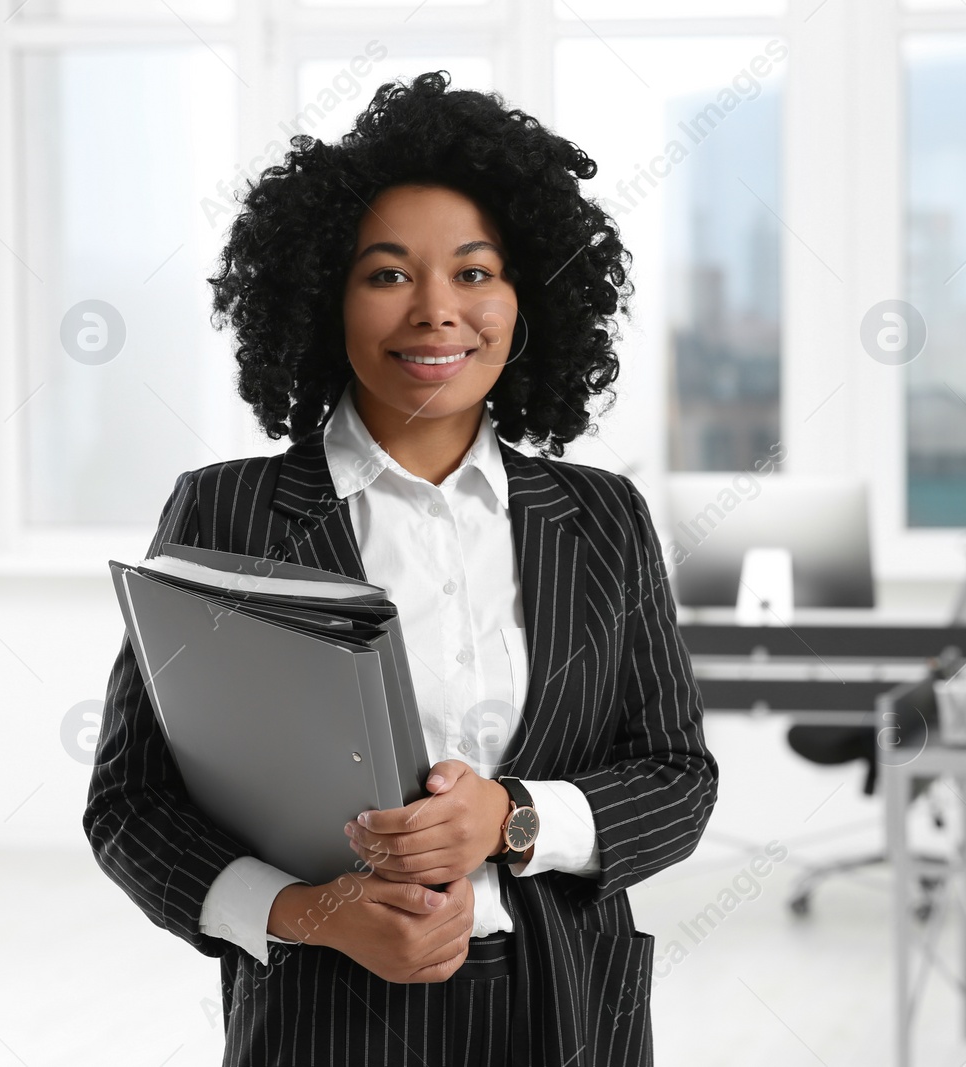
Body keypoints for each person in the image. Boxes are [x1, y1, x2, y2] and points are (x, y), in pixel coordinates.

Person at [83, 71, 717, 1067]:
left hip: (566, 1010)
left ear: (528, 296)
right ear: (321, 296)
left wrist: (513, 816)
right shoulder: (228, 510)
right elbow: (131, 804)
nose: (436, 311)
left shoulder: (602, 516)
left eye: (475, 272)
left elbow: (676, 779)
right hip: (326, 1014)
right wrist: (308, 911)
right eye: (386, 274)